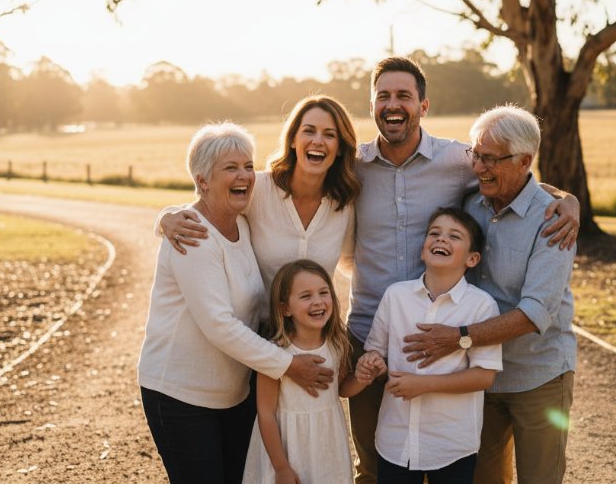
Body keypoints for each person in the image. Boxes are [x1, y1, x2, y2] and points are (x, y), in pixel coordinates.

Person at [346, 57, 579, 484]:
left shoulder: (537, 212)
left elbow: (536, 310)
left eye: (404, 96)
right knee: (401, 470)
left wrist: (567, 200)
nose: (480, 167)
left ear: (423, 105)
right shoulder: (357, 167)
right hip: (416, 348)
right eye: (383, 96)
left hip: (516, 365)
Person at [138, 122, 335, 484]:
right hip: (181, 395)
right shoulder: (194, 236)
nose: (244, 175)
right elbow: (219, 325)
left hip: (234, 393)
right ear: (202, 180)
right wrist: (288, 364)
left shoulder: (241, 222)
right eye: (231, 168)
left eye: (248, 166)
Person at [402, 105, 578, 484]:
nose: (479, 167)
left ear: (524, 161)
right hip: (481, 376)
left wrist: (459, 338)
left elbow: (534, 313)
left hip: (538, 375)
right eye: (476, 155)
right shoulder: (470, 203)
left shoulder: (554, 220)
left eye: (490, 159)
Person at [357, 207, 503, 483]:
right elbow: (376, 352)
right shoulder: (395, 296)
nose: (441, 239)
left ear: (472, 258)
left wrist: (424, 384)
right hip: (395, 439)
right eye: (434, 233)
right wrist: (371, 363)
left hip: (451, 444)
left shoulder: (481, 306)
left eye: (454, 236)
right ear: (423, 251)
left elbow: (484, 376)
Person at [160, 94, 359, 294]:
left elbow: (352, 262)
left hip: (318, 315)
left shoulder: (343, 203)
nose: (318, 141)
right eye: (309, 131)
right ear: (293, 140)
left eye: (329, 135)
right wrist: (164, 218)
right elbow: (208, 206)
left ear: (340, 148)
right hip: (258, 315)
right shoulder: (259, 188)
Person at [242, 260, 373, 484]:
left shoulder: (337, 343)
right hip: (287, 448)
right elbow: (266, 413)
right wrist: (281, 468)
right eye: (306, 296)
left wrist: (362, 378)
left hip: (327, 445)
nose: (318, 301)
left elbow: (340, 389)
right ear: (285, 308)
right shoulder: (275, 354)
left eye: (323, 292)